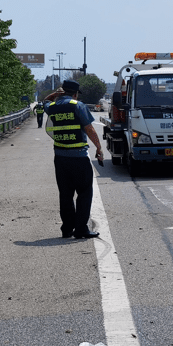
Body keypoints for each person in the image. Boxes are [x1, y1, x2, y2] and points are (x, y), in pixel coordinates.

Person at [43, 80, 104, 239]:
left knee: (65, 194)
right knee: (84, 193)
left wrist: (56, 94)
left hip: (61, 159)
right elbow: (89, 129)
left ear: (62, 92)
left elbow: (45, 102)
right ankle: (81, 229)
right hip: (79, 158)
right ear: (75, 94)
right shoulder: (78, 105)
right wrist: (99, 147)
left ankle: (67, 229)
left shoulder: (53, 107)